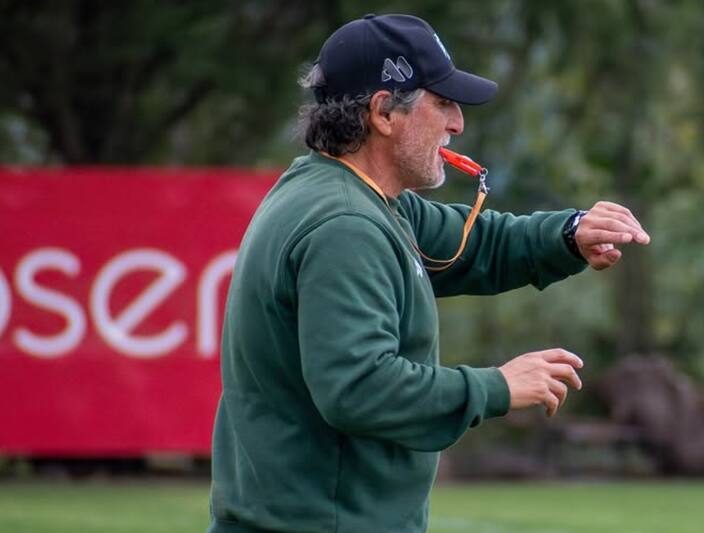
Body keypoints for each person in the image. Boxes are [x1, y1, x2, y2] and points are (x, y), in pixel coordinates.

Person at [207, 13, 650, 533]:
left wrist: (569, 233)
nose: (457, 123)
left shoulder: (354, 196)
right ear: (383, 113)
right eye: (442, 103)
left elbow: (477, 241)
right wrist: (496, 386)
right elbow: (359, 388)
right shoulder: (346, 225)